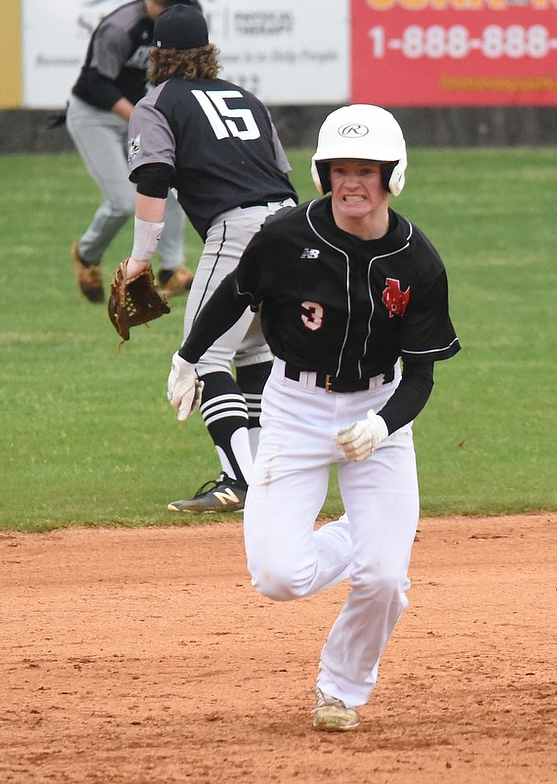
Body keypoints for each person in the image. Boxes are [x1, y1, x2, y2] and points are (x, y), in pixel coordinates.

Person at [166, 103, 461, 730]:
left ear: (393, 176)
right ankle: (363, 536)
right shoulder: (286, 235)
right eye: (340, 170)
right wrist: (188, 356)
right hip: (295, 407)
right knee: (278, 576)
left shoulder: (418, 261)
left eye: (367, 171)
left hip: (379, 409)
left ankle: (340, 691)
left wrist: (381, 426)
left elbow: (421, 376)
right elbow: (236, 294)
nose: (352, 184)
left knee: (385, 580)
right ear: (322, 174)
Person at [122, 4, 299, 513]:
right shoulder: (248, 98)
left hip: (238, 230)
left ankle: (240, 481)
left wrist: (140, 259)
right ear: (208, 52)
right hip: (289, 224)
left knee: (203, 356)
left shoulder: (156, 104)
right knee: (255, 351)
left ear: (156, 55)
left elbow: (154, 177)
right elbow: (280, 173)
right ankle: (265, 481)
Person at [67, 0, 198, 304]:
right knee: (123, 202)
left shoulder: (180, 23)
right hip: (95, 116)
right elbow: (94, 83)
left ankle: (171, 269)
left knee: (170, 182)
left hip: (139, 114)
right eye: (170, 8)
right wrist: (142, 116)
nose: (179, 16)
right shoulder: (121, 27)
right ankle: (87, 255)